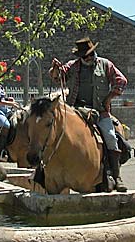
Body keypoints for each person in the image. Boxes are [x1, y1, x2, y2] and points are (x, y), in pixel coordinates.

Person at [49, 37, 129, 192]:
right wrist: (55, 70)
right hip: (76, 111)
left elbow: (121, 80)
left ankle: (116, 176)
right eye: (84, 56)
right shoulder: (73, 66)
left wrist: (110, 97)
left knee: (111, 137)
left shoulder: (106, 65)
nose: (88, 58)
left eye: (90, 54)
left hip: (99, 111)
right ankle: (45, 172)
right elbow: (58, 76)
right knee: (53, 133)